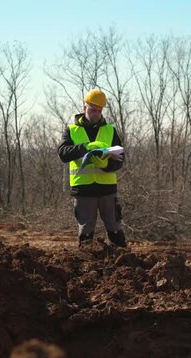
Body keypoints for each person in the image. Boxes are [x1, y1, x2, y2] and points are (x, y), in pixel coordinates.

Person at [57, 89, 126, 248]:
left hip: (107, 189)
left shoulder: (110, 130)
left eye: (99, 111)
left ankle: (123, 263)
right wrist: (86, 147)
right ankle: (87, 266)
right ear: (84, 107)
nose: (96, 114)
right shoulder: (72, 130)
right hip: (84, 190)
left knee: (115, 229)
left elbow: (120, 158)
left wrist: (106, 164)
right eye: (92, 110)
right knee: (86, 232)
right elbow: (63, 154)